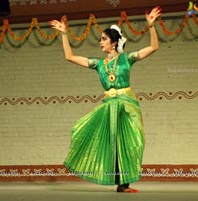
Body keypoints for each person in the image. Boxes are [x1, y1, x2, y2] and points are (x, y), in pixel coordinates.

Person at [50, 7, 161, 193]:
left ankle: (125, 182)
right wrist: (64, 33)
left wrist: (151, 26)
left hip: (127, 105)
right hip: (109, 106)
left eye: (104, 39)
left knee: (134, 142)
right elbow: (69, 57)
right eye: (101, 39)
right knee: (101, 138)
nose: (100, 42)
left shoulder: (128, 59)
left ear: (114, 42)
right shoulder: (99, 64)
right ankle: (121, 184)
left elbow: (154, 47)